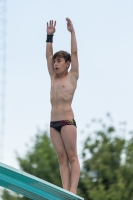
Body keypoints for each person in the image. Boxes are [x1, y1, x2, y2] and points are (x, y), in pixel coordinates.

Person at [46, 18, 80, 194]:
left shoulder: (72, 76)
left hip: (67, 121)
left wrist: (72, 32)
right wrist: (49, 36)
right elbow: (47, 55)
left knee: (72, 156)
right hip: (53, 123)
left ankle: (72, 190)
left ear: (67, 64)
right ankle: (65, 190)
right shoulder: (53, 76)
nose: (55, 64)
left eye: (59, 61)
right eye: (54, 61)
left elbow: (74, 53)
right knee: (61, 157)